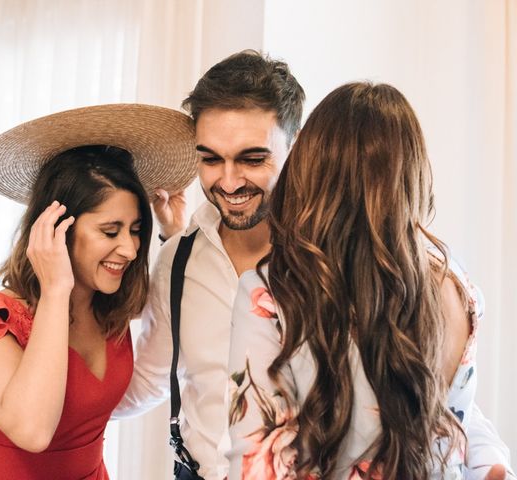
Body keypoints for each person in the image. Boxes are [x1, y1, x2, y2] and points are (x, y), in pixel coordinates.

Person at [112, 51, 514, 480]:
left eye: (252, 159)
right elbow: (145, 382)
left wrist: (494, 464)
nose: (228, 182)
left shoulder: (340, 261)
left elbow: (433, 399)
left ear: (297, 145)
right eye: (210, 159)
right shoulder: (177, 261)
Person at [226, 81, 501, 479]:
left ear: (310, 169)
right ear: (410, 177)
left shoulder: (271, 293)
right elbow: (453, 426)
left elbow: (252, 465)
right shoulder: (456, 287)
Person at [0, 104, 197, 480]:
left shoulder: (110, 310)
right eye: (110, 231)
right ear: (58, 230)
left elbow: (184, 317)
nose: (131, 250)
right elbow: (32, 431)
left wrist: (173, 238)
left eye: (135, 230)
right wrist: (55, 290)